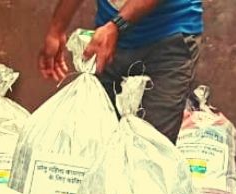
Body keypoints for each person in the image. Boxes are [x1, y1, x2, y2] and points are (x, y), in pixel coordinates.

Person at [38, 0, 202, 142]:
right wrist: (56, 30)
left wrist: (116, 26)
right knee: (94, 140)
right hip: (109, 38)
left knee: (151, 147)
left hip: (169, 38)